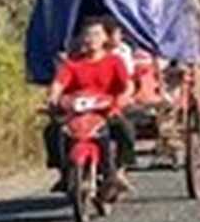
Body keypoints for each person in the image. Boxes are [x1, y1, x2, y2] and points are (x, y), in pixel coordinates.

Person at [45, 15, 136, 194]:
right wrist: (53, 97)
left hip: (106, 111)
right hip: (77, 112)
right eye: (87, 34)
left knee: (126, 130)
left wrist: (121, 100)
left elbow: (127, 85)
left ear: (105, 38)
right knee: (52, 131)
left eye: (96, 34)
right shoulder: (72, 64)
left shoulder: (114, 61)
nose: (91, 39)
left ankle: (118, 170)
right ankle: (63, 172)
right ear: (81, 38)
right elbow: (59, 83)